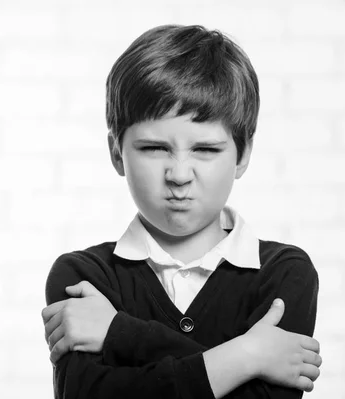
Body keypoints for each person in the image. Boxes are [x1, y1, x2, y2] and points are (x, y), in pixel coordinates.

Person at [41, 24, 322, 399]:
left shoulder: (283, 274)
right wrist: (248, 354)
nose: (178, 175)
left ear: (243, 155)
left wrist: (118, 333)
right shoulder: (83, 277)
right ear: (116, 153)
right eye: (154, 148)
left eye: (205, 150)